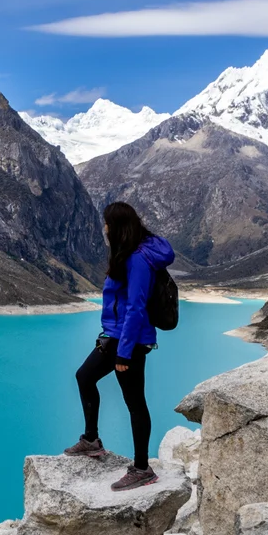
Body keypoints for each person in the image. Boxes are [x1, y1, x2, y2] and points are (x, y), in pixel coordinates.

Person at [64, 201, 175, 491]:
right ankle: (91, 440)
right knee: (84, 376)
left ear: (118, 227)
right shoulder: (130, 252)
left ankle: (142, 468)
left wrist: (124, 353)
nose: (104, 228)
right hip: (116, 336)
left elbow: (136, 308)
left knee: (135, 402)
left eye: (107, 223)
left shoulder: (138, 259)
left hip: (130, 341)